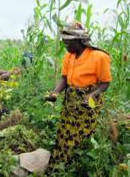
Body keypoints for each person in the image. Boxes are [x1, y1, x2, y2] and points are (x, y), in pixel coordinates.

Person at [45, 22, 111, 169]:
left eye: (68, 43)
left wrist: (92, 95)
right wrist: (55, 93)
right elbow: (64, 79)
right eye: (64, 43)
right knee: (65, 132)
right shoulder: (69, 56)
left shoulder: (99, 57)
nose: (66, 47)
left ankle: (77, 165)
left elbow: (105, 83)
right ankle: (61, 163)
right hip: (71, 101)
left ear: (79, 41)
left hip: (88, 103)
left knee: (82, 134)